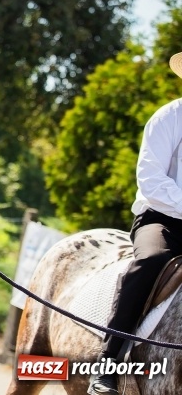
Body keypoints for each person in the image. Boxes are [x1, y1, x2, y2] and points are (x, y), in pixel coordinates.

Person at [88, 52, 182, 394]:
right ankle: (107, 365)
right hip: (162, 220)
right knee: (150, 263)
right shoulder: (169, 117)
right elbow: (151, 179)